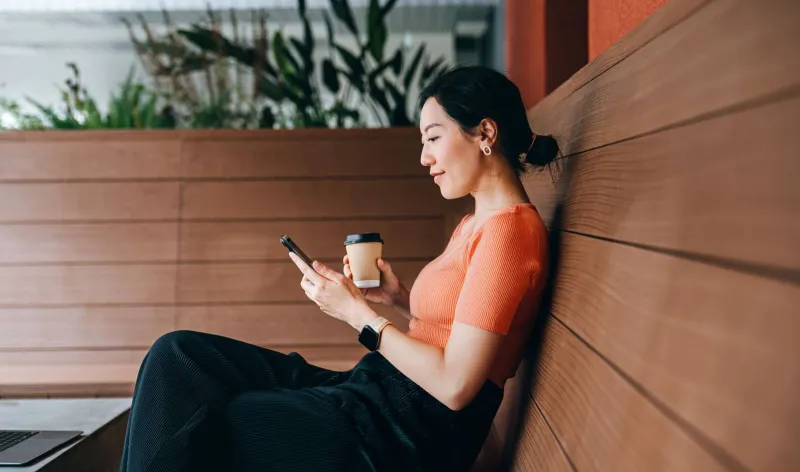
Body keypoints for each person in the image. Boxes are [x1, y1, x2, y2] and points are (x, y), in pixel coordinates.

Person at [118, 65, 559, 472]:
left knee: (222, 418)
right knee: (179, 357)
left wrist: (359, 316)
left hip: (408, 434)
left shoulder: (509, 233)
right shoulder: (477, 222)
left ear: (484, 132)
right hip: (380, 394)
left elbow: (456, 386)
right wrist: (398, 298)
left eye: (433, 137)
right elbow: (462, 330)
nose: (424, 157)